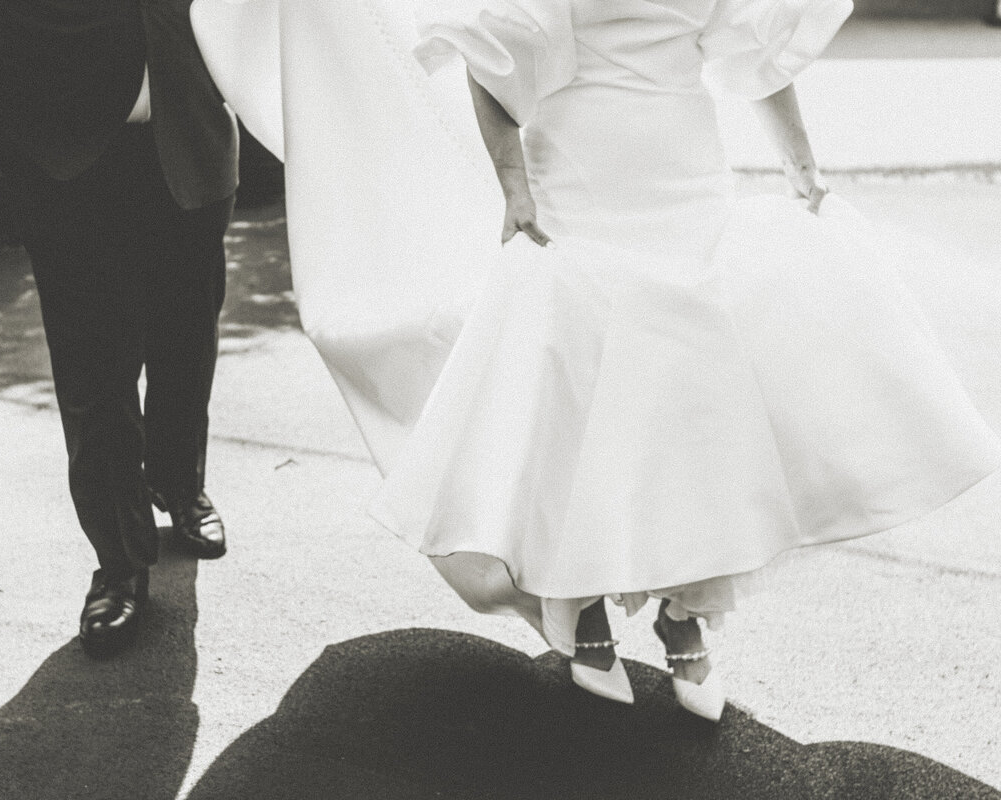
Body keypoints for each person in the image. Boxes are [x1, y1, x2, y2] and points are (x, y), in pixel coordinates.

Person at [193, 0, 1001, 721]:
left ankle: (687, 611)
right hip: (581, 186)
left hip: (686, 185)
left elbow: (760, 57)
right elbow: (493, 67)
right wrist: (513, 188)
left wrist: (801, 160)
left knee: (691, 409)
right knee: (585, 410)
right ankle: (579, 605)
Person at [0, 0, 236, 657]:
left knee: (187, 336)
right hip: (60, 138)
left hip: (191, 123)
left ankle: (179, 483)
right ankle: (120, 564)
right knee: (93, 368)